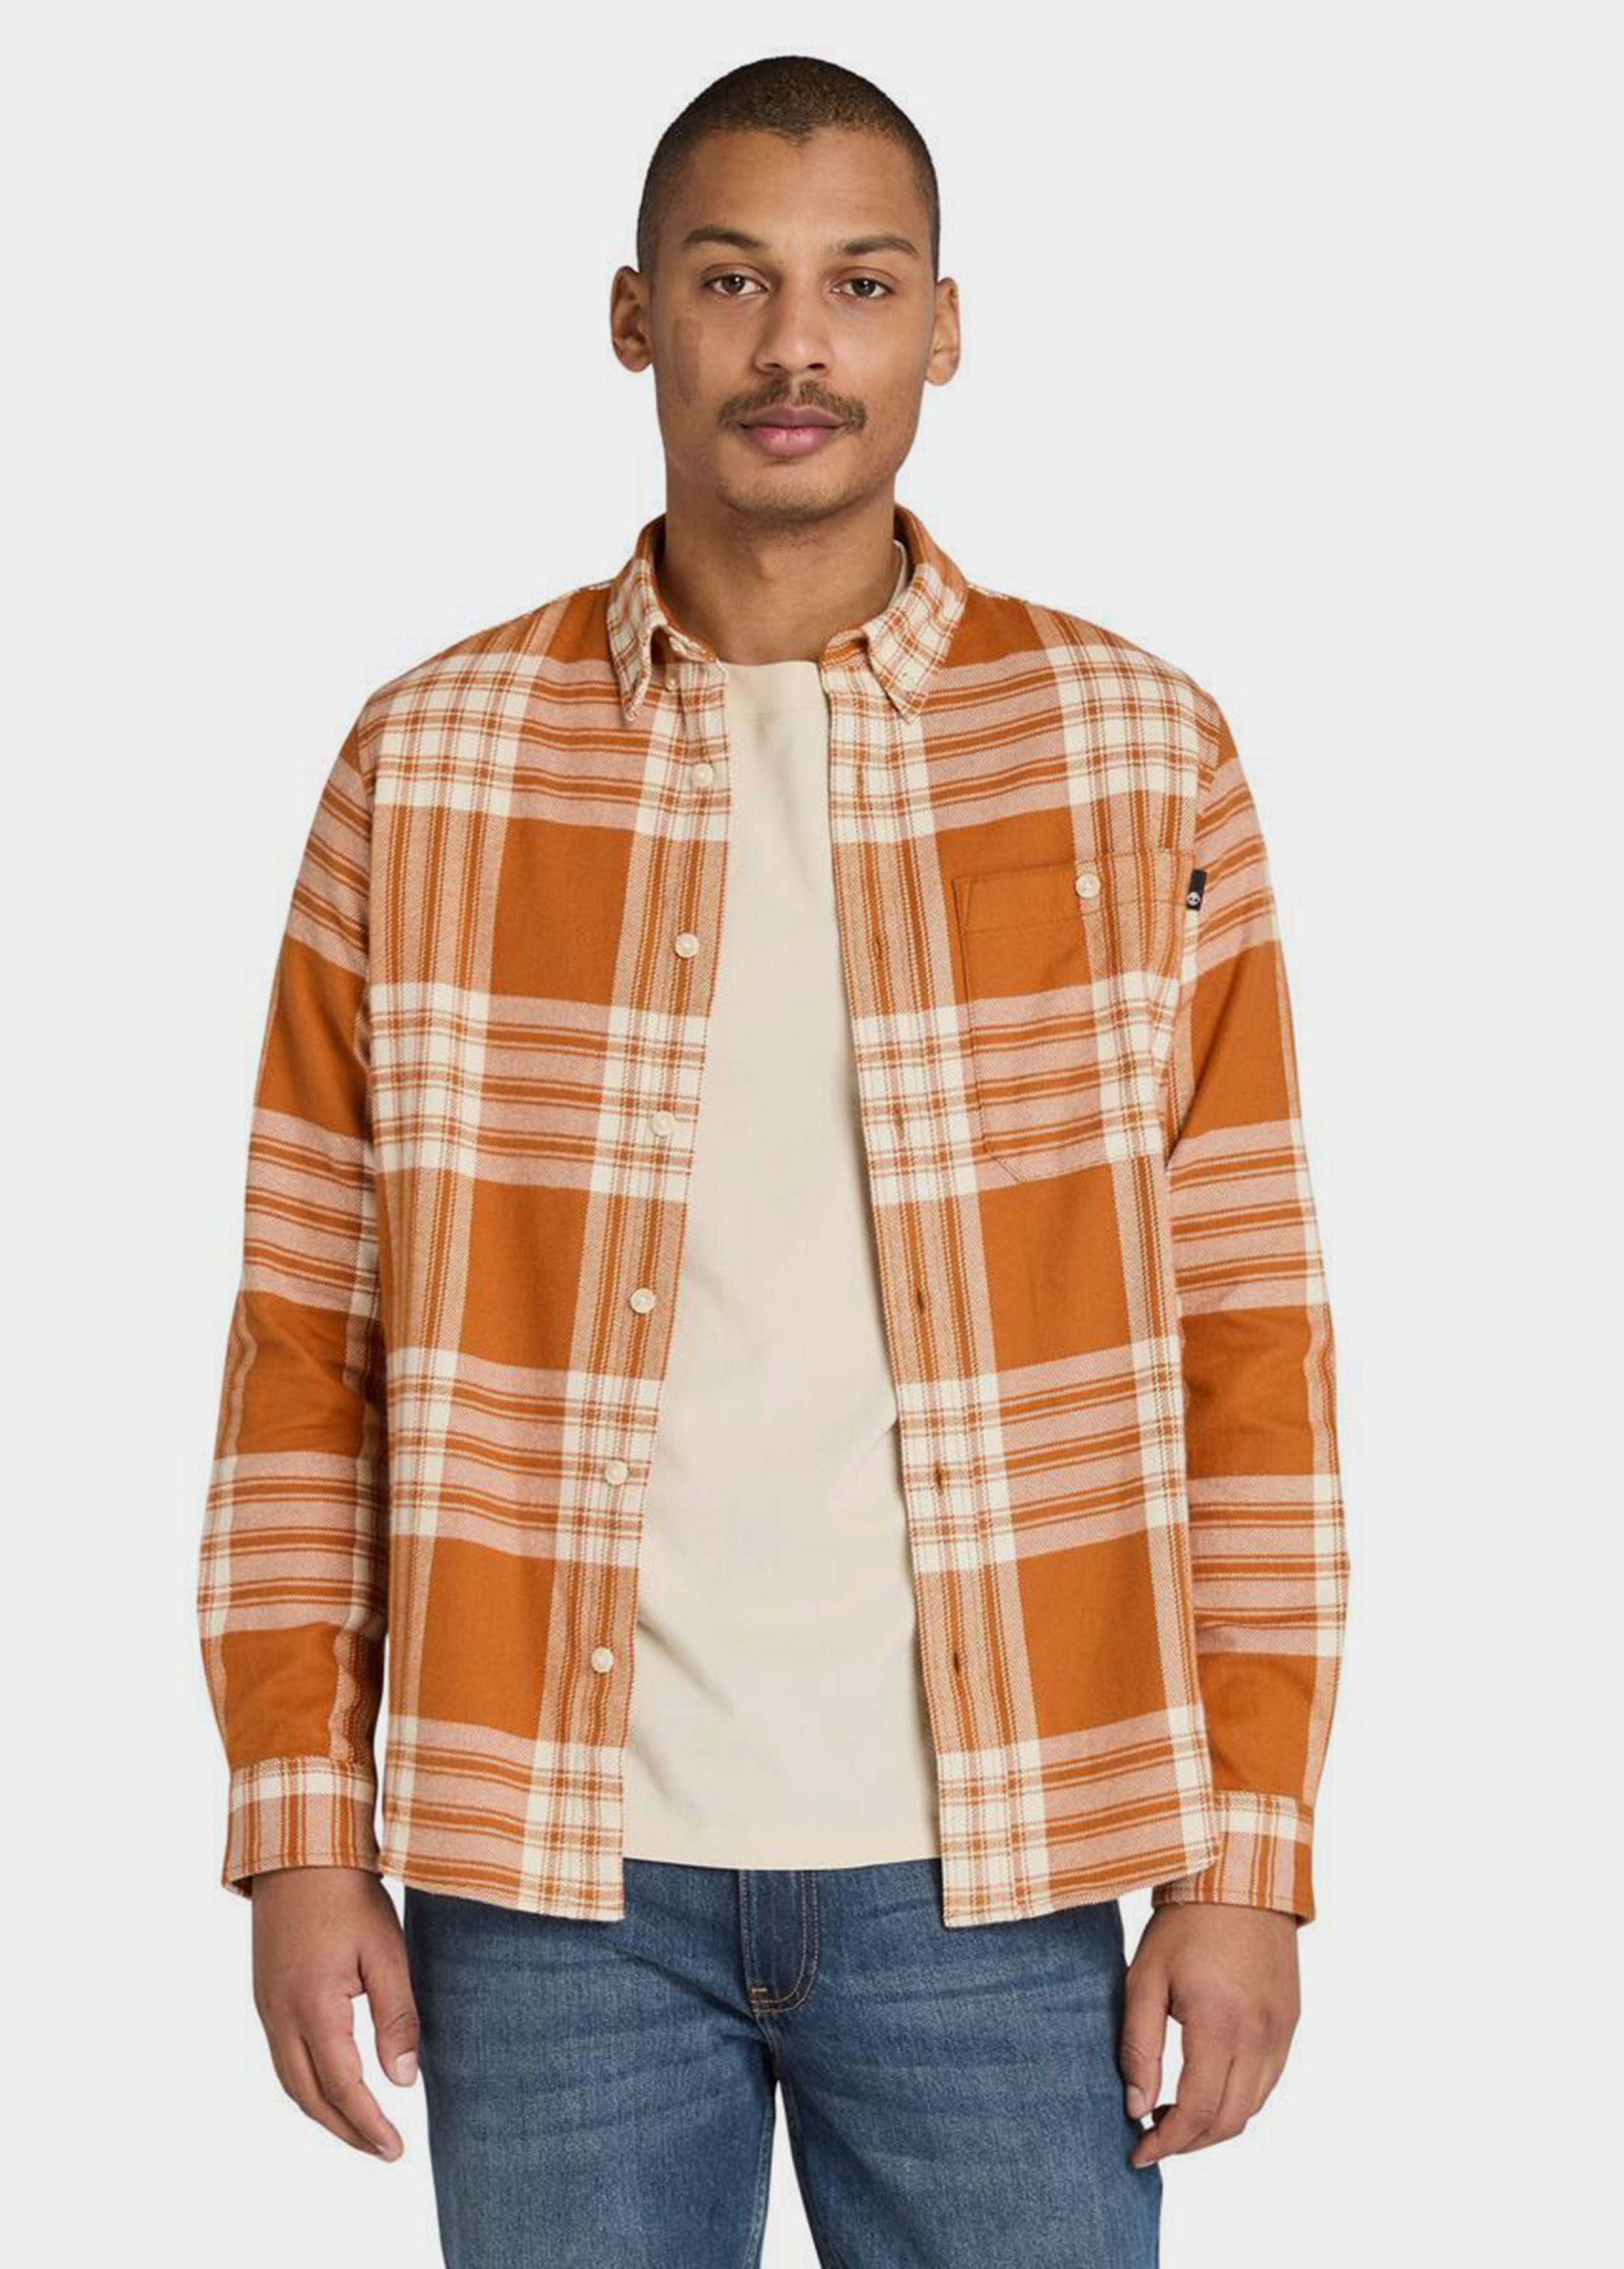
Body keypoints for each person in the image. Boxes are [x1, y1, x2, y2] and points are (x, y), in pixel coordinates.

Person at [197, 51, 1349, 2269]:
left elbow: (1246, 1330)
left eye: (860, 284)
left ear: (944, 328)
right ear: (635, 317)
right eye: (732, 281)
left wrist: (1244, 1862)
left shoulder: (1134, 752)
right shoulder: (428, 763)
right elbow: (304, 1338)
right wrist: (299, 1827)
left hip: (1001, 1861)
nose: (795, 344)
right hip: (548, 1874)